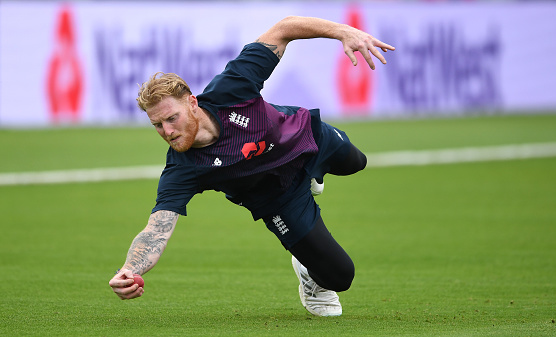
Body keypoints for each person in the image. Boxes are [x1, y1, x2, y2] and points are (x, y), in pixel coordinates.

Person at [108, 15, 394, 317]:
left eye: (171, 118)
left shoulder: (231, 87)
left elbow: (284, 29)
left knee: (356, 162)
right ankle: (311, 277)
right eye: (157, 125)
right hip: (280, 199)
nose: (167, 131)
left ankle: (313, 175)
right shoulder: (183, 168)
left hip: (308, 140)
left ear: (193, 103)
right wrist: (128, 269)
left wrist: (344, 32)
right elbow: (157, 229)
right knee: (340, 276)